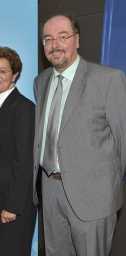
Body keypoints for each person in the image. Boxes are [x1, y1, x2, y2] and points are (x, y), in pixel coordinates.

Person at [33, 14, 126, 255]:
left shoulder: (108, 79)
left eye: (63, 37)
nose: (55, 45)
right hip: (50, 191)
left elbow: (123, 142)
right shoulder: (41, 81)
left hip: (92, 196)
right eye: (48, 39)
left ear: (77, 40)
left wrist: (104, 186)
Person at [0, 47, 36, 256]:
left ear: (15, 74)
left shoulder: (24, 108)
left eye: (3, 71)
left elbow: (24, 160)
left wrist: (12, 205)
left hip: (14, 202)